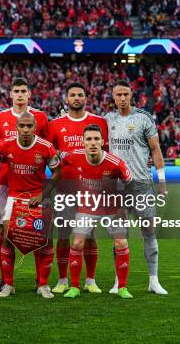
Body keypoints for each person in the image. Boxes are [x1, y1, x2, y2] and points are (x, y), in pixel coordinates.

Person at [0, 77, 49, 292]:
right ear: (10, 94)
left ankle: (40, 281)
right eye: (16, 90)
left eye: (23, 90)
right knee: (5, 233)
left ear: (29, 94)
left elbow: (47, 146)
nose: (19, 94)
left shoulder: (41, 117)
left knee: (38, 232)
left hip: (35, 185)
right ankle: (6, 281)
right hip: (7, 184)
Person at [105, 80, 168, 295]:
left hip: (141, 184)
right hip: (116, 187)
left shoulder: (144, 118)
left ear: (132, 95)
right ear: (113, 97)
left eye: (125, 94)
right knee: (119, 236)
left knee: (148, 231)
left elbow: (155, 149)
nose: (122, 98)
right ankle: (118, 282)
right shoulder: (107, 120)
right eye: (118, 94)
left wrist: (162, 181)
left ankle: (153, 280)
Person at [0, 112, 60, 298]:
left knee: (44, 241)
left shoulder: (46, 147)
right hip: (14, 198)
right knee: (7, 238)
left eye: (29, 126)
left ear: (35, 128)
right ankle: (9, 285)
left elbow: (57, 173)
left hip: (39, 197)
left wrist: (42, 194)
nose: (26, 130)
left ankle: (43, 285)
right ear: (16, 127)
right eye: (22, 126)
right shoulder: (6, 144)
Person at [47, 82, 109, 294]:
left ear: (86, 98)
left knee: (90, 235)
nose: (76, 98)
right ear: (66, 99)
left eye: (80, 95)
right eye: (72, 95)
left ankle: (90, 280)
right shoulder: (55, 124)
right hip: (65, 189)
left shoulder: (98, 121)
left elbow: (106, 153)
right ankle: (63, 279)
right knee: (64, 235)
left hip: (91, 190)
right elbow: (49, 150)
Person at [60, 125, 134, 299]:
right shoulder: (74, 156)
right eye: (89, 139)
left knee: (121, 243)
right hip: (86, 207)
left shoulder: (115, 163)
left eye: (96, 139)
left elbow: (130, 183)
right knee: (77, 243)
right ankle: (75, 287)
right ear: (83, 142)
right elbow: (57, 153)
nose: (93, 143)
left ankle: (122, 287)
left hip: (111, 207)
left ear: (103, 141)